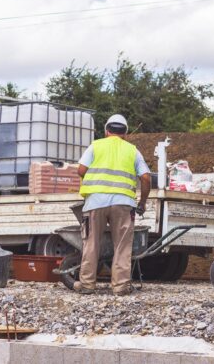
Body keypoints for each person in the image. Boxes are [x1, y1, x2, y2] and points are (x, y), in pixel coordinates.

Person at [76, 114, 151, 295]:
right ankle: (120, 287)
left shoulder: (96, 146)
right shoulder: (133, 150)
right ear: (125, 133)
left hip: (95, 202)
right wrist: (142, 202)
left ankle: (86, 284)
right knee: (122, 246)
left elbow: (81, 170)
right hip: (123, 203)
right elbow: (146, 178)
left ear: (106, 131)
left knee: (91, 243)